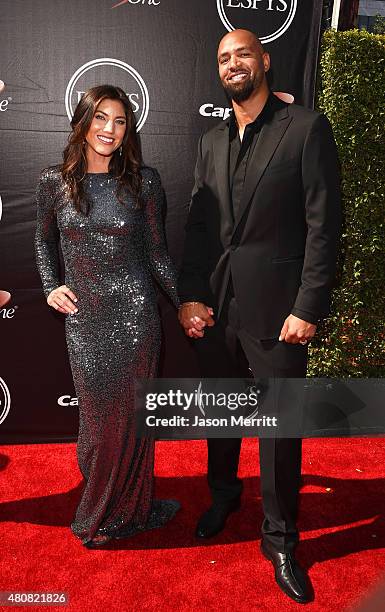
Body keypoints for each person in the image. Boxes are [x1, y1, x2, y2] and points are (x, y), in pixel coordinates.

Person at [178, 30, 341, 603]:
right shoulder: (210, 141)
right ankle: (224, 494)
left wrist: (308, 305)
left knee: (280, 431)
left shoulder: (305, 129)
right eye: (222, 57)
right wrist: (190, 296)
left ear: (265, 60)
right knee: (220, 413)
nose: (232, 63)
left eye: (242, 53)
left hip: (280, 311)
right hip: (219, 305)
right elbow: (199, 229)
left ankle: (281, 539)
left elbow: (325, 226)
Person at [35, 85, 180, 548]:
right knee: (98, 425)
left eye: (119, 121)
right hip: (85, 320)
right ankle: (105, 502)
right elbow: (43, 241)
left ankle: (128, 509)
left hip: (137, 315)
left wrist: (185, 302)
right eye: (100, 118)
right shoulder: (53, 182)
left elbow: (157, 253)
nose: (109, 130)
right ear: (82, 122)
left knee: (135, 420)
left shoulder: (145, 181)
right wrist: (49, 285)